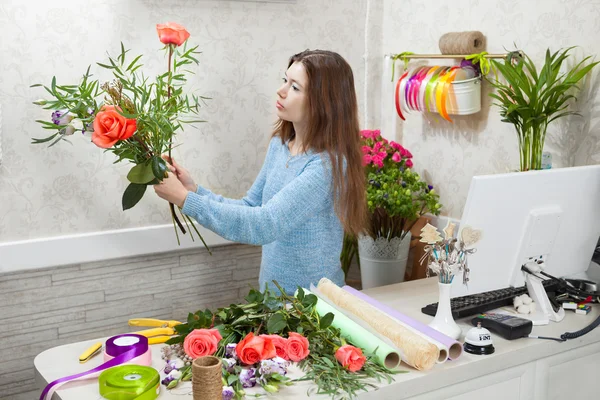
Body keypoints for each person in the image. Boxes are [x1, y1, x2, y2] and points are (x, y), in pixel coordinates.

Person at [154, 49, 366, 295]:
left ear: (325, 103)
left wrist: (184, 199)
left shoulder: (326, 166)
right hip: (274, 302)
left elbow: (265, 225)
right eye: (285, 80)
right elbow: (252, 206)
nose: (282, 90)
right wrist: (194, 190)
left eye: (295, 87)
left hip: (315, 308)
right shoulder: (280, 145)